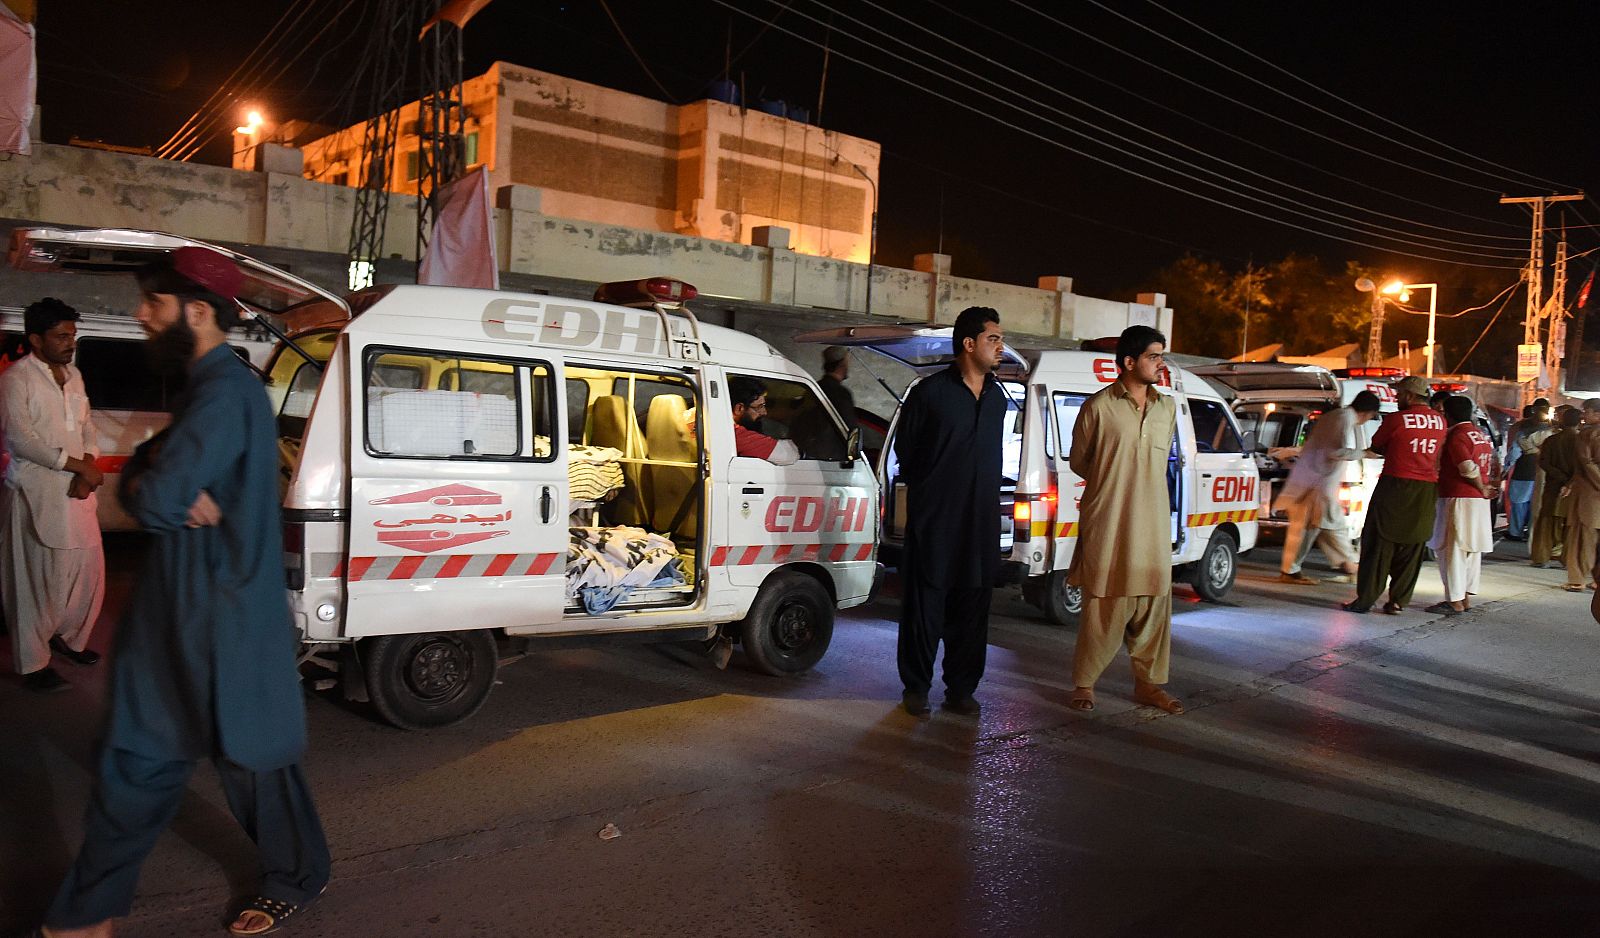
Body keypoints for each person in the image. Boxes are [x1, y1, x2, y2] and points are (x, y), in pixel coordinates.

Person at [40, 248, 330, 938]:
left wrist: (150, 485)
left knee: (250, 765)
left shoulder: (226, 392)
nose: (140, 315)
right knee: (142, 763)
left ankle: (298, 874)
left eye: (154, 303)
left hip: (222, 621)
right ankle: (86, 915)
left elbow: (155, 490)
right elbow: (152, 479)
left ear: (197, 313)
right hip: (183, 618)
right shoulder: (210, 387)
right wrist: (150, 481)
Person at [894, 306, 1007, 717]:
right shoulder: (930, 393)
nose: (1001, 346)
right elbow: (907, 452)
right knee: (926, 608)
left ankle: (961, 689)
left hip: (980, 525)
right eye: (994, 338)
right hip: (937, 521)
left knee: (973, 611)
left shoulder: (998, 397)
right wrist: (933, 497)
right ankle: (916, 689)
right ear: (969, 343)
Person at [1066, 324, 1184, 715]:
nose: (1160, 363)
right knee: (1104, 606)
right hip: (1111, 523)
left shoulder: (1167, 408)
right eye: (1153, 356)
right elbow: (1081, 462)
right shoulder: (1098, 406)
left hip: (1152, 526)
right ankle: (1085, 684)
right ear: (1129, 362)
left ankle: (1148, 685)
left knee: (1152, 604)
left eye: (1161, 355)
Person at [1, 297, 106, 693]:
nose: (69, 343)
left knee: (84, 573)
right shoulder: (16, 379)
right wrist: (77, 466)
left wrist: (87, 466)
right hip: (35, 493)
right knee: (34, 581)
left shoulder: (74, 376)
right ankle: (32, 664)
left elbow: (87, 427)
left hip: (76, 496)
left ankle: (67, 637)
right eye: (61, 336)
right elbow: (20, 440)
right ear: (35, 339)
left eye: (72, 336)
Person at [1343, 375, 1446, 614]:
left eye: (1400, 394)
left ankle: (1365, 600)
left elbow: (1377, 445)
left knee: (1378, 542)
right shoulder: (1440, 421)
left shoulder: (1398, 419)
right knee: (1413, 546)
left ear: (1410, 395)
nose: (1397, 398)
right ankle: (1398, 601)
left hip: (1394, 485)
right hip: (1426, 489)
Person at [1277, 391, 1382, 585]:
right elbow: (1335, 451)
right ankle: (1352, 565)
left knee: (1307, 529)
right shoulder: (1343, 419)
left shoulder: (1335, 416)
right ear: (1367, 413)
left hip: (1311, 480)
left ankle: (1291, 570)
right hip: (1320, 483)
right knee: (1333, 524)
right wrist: (1365, 453)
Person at [1425, 396, 1494, 615]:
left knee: (1452, 548)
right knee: (1470, 549)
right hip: (1477, 501)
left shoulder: (1457, 435)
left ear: (1447, 413)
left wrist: (1480, 486)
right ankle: (1464, 597)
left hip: (1458, 497)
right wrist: (1483, 487)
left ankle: (1454, 600)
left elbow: (1467, 467)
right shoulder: (1479, 434)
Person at [1532, 407, 1582, 567]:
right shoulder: (1582, 441)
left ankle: (1542, 556)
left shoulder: (1551, 440)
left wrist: (1559, 477)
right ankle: (1568, 559)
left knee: (1546, 522)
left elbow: (1543, 462)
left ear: (1562, 421)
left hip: (1553, 486)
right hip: (1574, 488)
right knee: (1571, 524)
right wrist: (1569, 481)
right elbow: (1582, 467)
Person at [1563, 399, 1600, 593]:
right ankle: (1596, 580)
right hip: (1592, 494)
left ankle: (1577, 579)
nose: (1583, 415)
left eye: (1586, 411)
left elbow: (1586, 464)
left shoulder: (1587, 435)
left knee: (1581, 540)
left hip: (1589, 495)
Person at [727, 375, 799, 465]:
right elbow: (787, 454)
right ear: (739, 408)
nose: (764, 412)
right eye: (759, 407)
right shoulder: (734, 435)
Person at [1505, 404, 1551, 540]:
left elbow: (1514, 453)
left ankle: (1515, 531)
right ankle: (1531, 532)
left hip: (1523, 471)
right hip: (1543, 474)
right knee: (1535, 504)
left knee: (1518, 503)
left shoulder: (1523, 431)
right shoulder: (1553, 431)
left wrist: (1506, 469)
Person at [819, 346, 860, 432]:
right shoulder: (841, 393)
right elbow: (851, 429)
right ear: (842, 364)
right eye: (847, 362)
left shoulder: (816, 387)